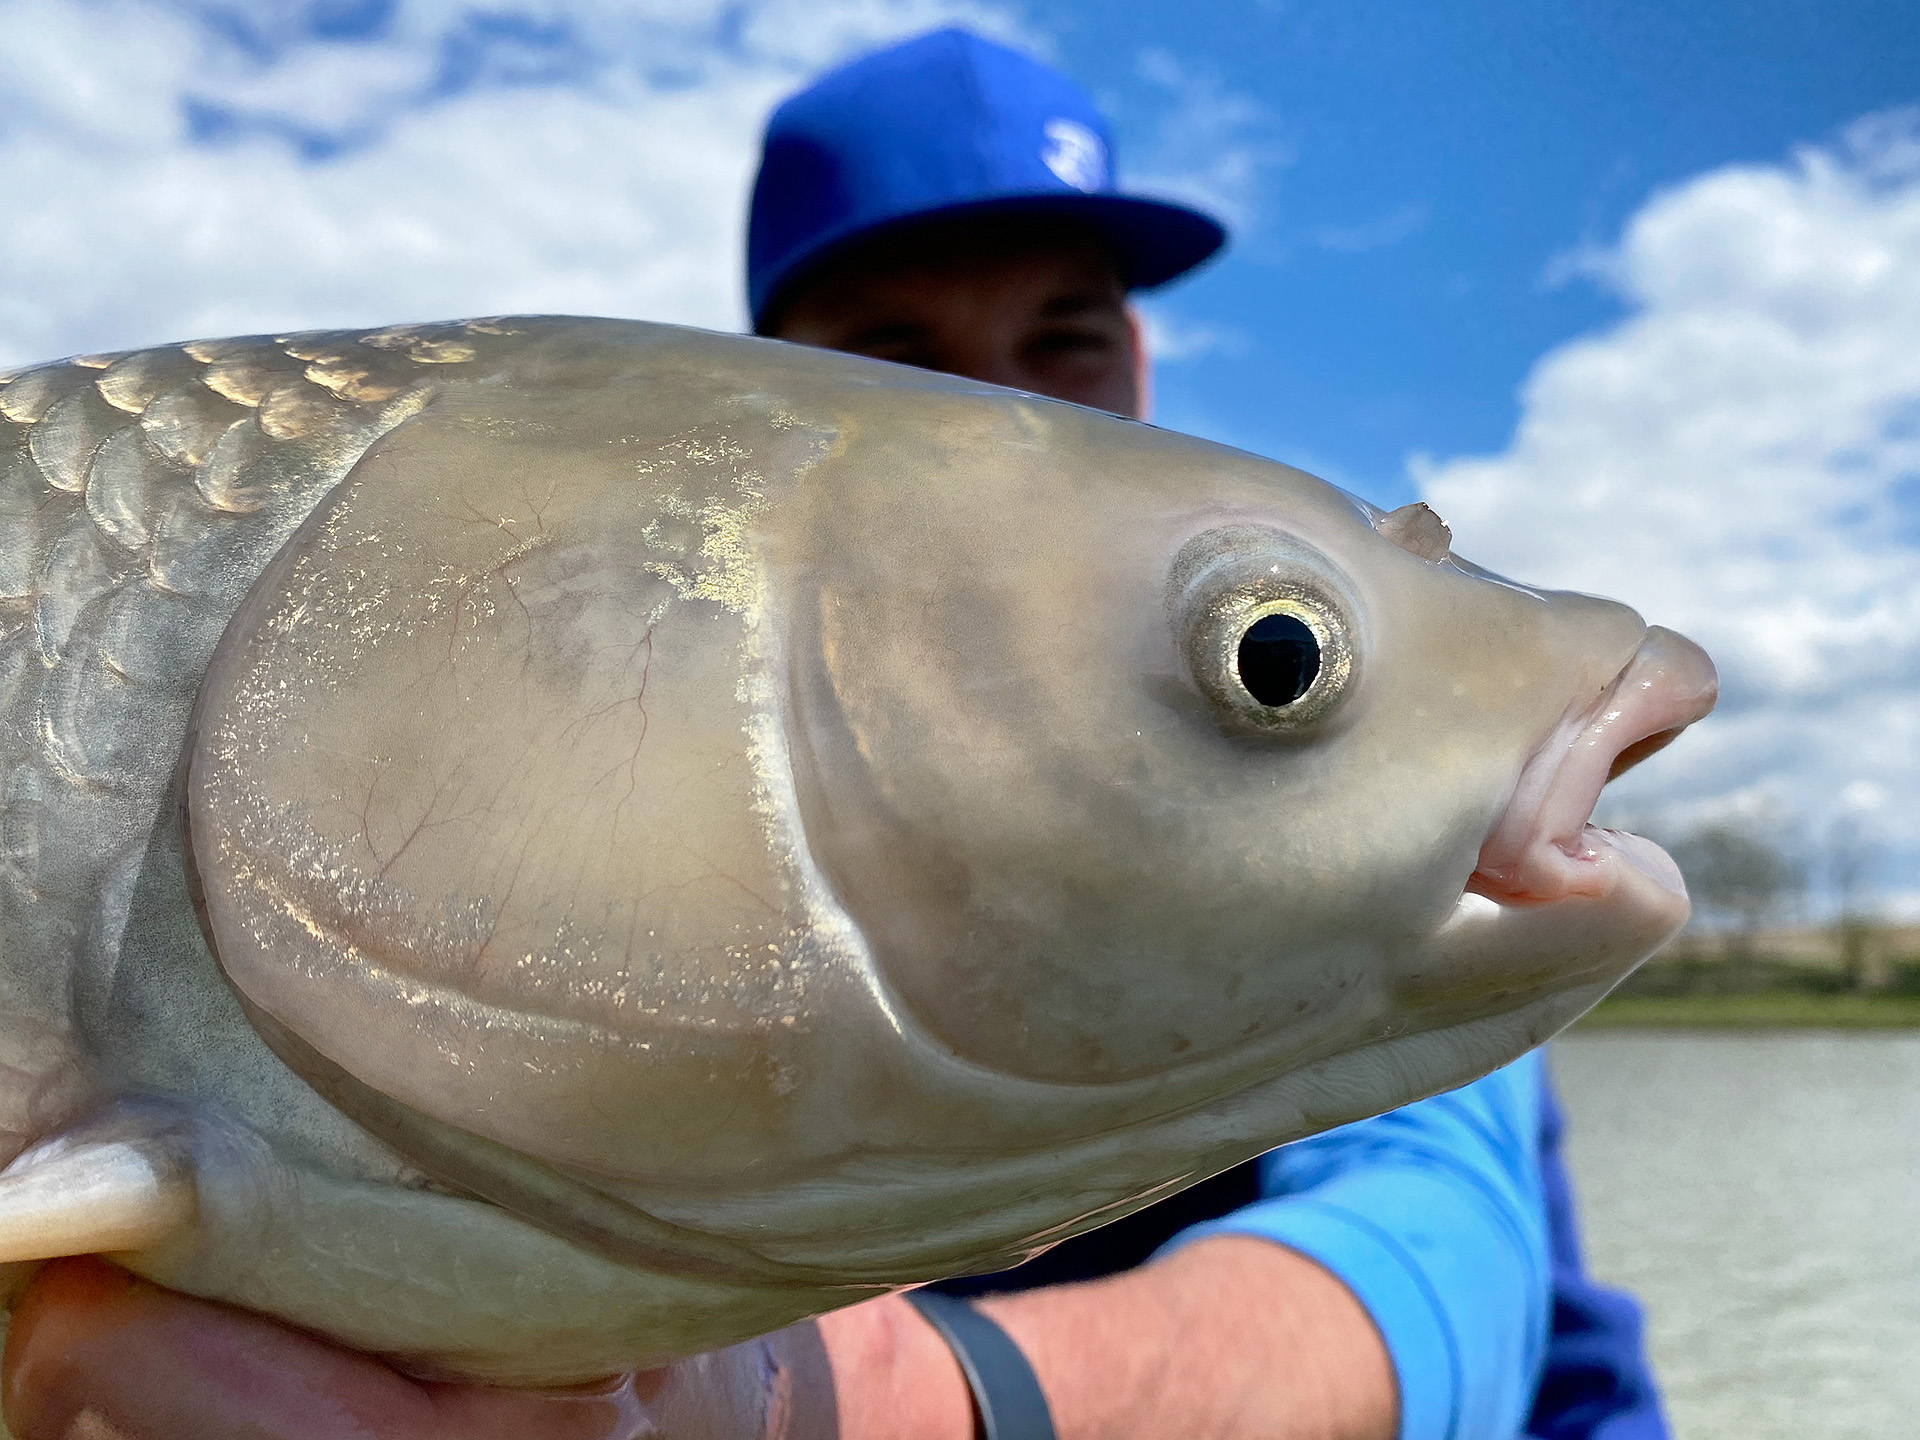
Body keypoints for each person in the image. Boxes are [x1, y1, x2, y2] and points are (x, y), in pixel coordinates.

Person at [0, 29, 1667, 1440]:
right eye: (904, 357)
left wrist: (883, 1399)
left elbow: (1440, 1257)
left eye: (1065, 337)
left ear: (1141, 349)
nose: (1028, 405)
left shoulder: (1374, 873)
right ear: (764, 375)